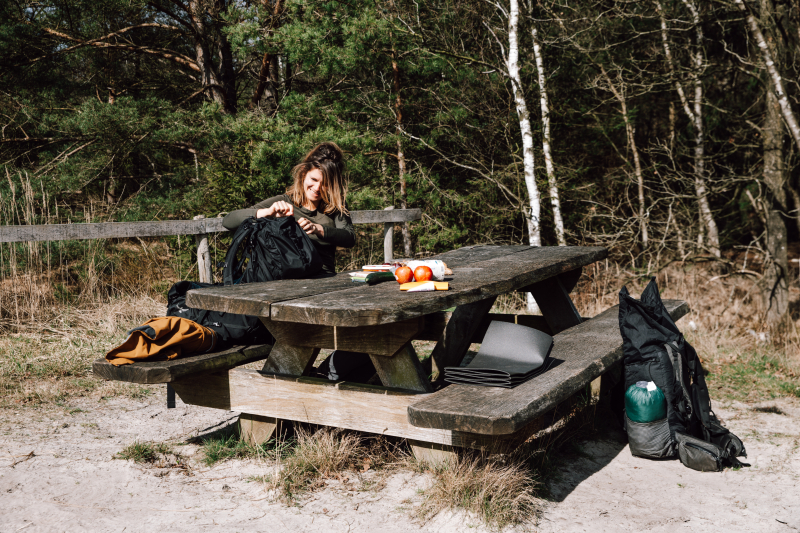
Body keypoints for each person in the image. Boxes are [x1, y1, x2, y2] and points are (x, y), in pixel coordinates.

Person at [222, 142, 356, 276]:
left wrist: (318, 229)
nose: (317, 188)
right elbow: (228, 221)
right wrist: (268, 212)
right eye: (314, 179)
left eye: (325, 184)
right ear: (303, 174)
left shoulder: (336, 205)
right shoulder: (285, 201)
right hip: (284, 279)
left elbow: (349, 238)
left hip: (324, 278)